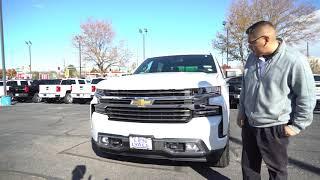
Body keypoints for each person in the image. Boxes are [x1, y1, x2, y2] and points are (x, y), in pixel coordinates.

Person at [237, 21, 316, 180]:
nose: (250, 47)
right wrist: (241, 112)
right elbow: (246, 87)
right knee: (249, 168)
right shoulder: (252, 58)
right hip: (250, 125)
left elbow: (306, 95)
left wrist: (297, 125)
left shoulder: (294, 60)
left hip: (274, 127)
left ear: (265, 39)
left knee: (277, 171)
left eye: (252, 43)